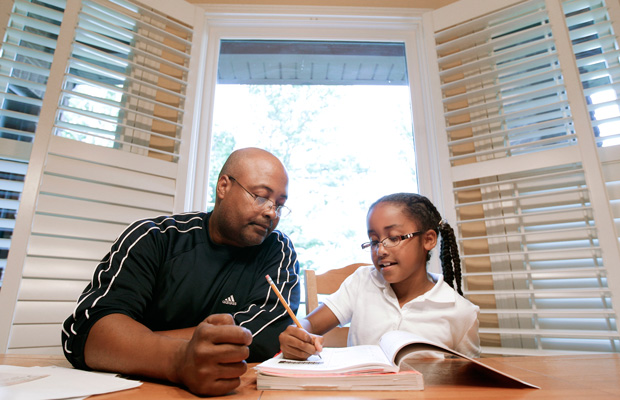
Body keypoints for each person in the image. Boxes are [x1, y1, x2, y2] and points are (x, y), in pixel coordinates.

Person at [62, 147, 300, 396]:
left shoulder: (276, 249)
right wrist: (179, 359)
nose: (271, 212)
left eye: (280, 205)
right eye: (261, 197)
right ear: (223, 186)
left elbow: (267, 331)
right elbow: (89, 331)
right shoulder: (155, 238)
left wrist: (134, 341)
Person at [279, 192, 480, 360]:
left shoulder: (461, 312)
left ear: (428, 240)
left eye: (393, 238)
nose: (380, 250)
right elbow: (310, 324)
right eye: (374, 240)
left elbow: (470, 382)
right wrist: (299, 335)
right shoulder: (362, 281)